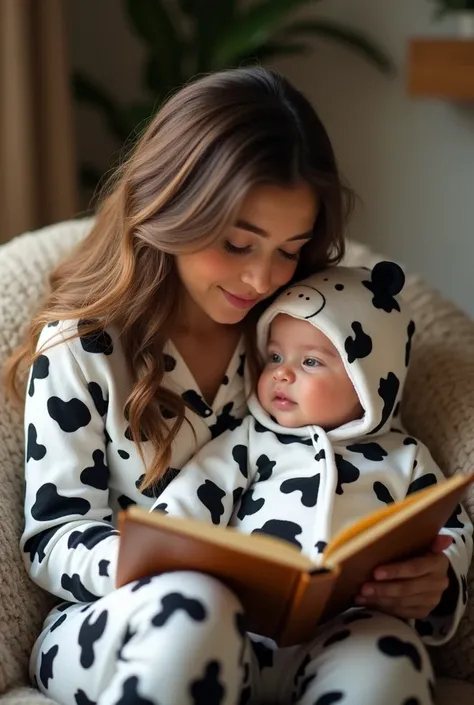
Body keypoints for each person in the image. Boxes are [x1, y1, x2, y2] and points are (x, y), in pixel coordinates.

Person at [0, 64, 449, 705]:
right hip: (126, 624)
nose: (263, 279)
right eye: (238, 244)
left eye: (290, 249)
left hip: (287, 638)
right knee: (194, 608)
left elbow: (372, 433)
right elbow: (52, 538)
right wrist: (173, 564)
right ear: (171, 208)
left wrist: (429, 583)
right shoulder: (85, 345)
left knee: (388, 655)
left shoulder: (296, 328)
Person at [150, 260, 473, 704]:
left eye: (310, 362)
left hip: (351, 632)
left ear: (369, 381)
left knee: (391, 659)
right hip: (239, 630)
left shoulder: (407, 458)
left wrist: (438, 580)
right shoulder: (250, 440)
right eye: (276, 357)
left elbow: (449, 530)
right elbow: (186, 507)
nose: (282, 373)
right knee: (187, 644)